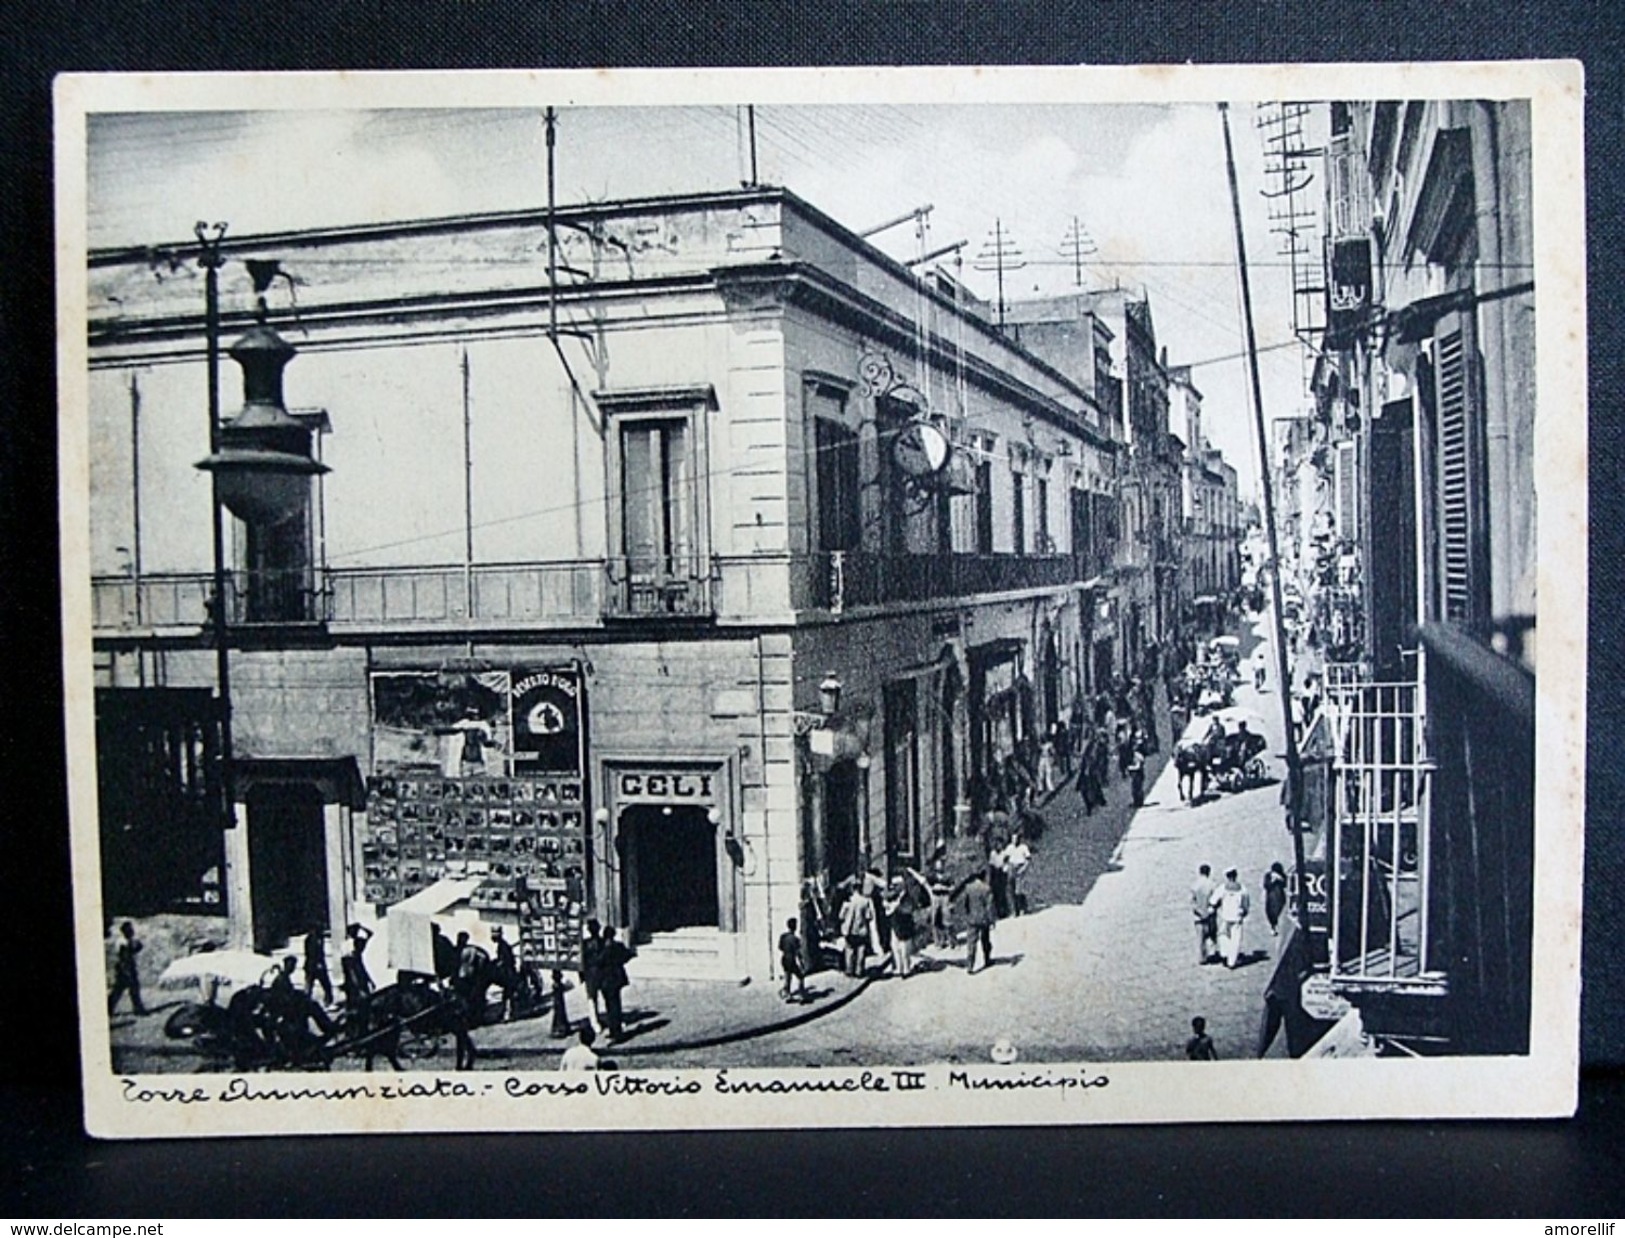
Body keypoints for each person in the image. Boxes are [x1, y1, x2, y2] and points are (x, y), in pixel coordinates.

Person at [954, 868, 997, 975]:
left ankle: (970, 966)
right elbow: (989, 906)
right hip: (984, 919)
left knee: (971, 943)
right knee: (985, 940)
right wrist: (992, 920)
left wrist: (967, 914)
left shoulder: (969, 888)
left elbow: (965, 904)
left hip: (972, 919)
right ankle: (987, 959)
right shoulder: (986, 888)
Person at [596, 925, 633, 1041]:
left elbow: (599, 961)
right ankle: (616, 1030)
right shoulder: (618, 946)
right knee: (615, 1005)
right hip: (616, 978)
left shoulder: (604, 948)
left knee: (610, 1006)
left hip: (606, 980)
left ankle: (615, 1031)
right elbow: (627, 955)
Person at [1210, 867, 1251, 969]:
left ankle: (1225, 953)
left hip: (1226, 916)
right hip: (1237, 917)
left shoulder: (1223, 888)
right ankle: (1231, 961)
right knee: (1236, 939)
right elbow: (1246, 904)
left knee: (1222, 935)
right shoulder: (1242, 889)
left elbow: (1213, 901)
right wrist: (1244, 912)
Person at [107, 921, 147, 1016]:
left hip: (126, 967)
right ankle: (138, 1010)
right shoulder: (122, 942)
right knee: (131, 989)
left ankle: (109, 1008)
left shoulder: (128, 940)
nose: (132, 931)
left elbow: (137, 948)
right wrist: (127, 971)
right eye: (130, 929)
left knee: (120, 989)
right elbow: (124, 957)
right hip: (124, 968)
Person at [883, 877, 919, 978]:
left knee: (904, 949)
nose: (893, 887)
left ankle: (906, 969)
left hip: (904, 926)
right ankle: (899, 968)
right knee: (895, 947)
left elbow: (908, 909)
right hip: (895, 925)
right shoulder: (895, 896)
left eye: (896, 885)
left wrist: (895, 907)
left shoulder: (906, 897)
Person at [839, 881, 873, 978]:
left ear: (852, 889)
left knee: (849, 950)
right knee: (861, 950)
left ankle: (849, 970)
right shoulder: (865, 901)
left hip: (849, 930)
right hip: (861, 930)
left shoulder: (847, 902)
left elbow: (841, 916)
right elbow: (868, 916)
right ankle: (859, 971)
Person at [341, 922, 375, 1009]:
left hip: (359, 977)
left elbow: (370, 934)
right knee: (357, 1004)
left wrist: (369, 980)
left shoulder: (356, 943)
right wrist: (359, 988)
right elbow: (351, 970)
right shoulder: (348, 946)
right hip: (354, 980)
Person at [579, 918, 605, 1031]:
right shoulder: (602, 942)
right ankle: (596, 1021)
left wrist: (581, 974)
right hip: (600, 972)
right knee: (600, 997)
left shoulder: (585, 944)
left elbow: (581, 960)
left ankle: (595, 1021)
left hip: (591, 973)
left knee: (592, 998)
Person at [1190, 865, 1219, 965]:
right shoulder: (1212, 884)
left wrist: (1199, 911)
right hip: (1210, 915)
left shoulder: (1194, 885)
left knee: (1200, 938)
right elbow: (1216, 900)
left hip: (1198, 916)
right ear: (1209, 872)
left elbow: (1192, 902)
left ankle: (1202, 957)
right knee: (1212, 935)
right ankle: (1213, 953)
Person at [490, 925, 520, 1020]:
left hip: (508, 973)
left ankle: (509, 1014)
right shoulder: (502, 945)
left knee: (508, 994)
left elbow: (505, 960)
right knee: (507, 994)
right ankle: (508, 1013)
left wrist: (496, 964)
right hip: (507, 972)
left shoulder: (503, 946)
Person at [1001, 833, 1032, 917]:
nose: (1014, 841)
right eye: (1013, 839)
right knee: (1011, 889)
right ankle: (1015, 910)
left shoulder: (1023, 847)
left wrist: (1024, 868)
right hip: (1012, 867)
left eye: (1016, 839)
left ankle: (1023, 908)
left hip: (1020, 867)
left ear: (1019, 839)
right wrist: (1005, 866)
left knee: (1019, 890)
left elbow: (1028, 859)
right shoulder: (1010, 847)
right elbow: (1005, 858)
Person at [778, 918, 808, 1001]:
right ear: (795, 927)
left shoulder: (783, 936)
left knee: (788, 977)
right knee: (800, 976)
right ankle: (802, 994)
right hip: (791, 960)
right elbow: (798, 953)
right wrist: (802, 963)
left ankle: (786, 993)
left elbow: (780, 947)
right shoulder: (795, 939)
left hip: (784, 959)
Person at [303, 927, 333, 1006]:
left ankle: (306, 1001)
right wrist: (318, 963)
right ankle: (327, 1001)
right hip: (314, 965)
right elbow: (312, 953)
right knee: (324, 984)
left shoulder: (317, 938)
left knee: (310, 985)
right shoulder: (312, 939)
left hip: (313, 965)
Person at [1263, 861, 1289, 937]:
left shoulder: (1283, 876)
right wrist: (1273, 880)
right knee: (1271, 913)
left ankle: (1277, 927)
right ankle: (1273, 927)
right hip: (1271, 898)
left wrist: (1280, 879)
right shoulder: (1268, 875)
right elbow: (1266, 885)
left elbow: (1285, 885)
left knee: (1279, 912)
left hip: (1279, 897)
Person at [1127, 744, 1146, 808]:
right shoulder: (1133, 755)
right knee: (1134, 789)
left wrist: (1130, 768)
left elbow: (1138, 766)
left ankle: (1139, 802)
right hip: (1135, 774)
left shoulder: (1138, 756)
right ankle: (1136, 801)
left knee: (1138, 788)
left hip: (1138, 774)